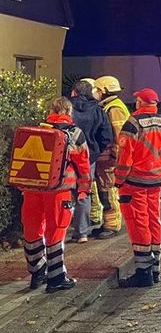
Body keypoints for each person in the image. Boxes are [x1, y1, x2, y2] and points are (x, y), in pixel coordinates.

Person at [21, 97, 91, 292]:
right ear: (69, 112)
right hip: (59, 191)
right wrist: (84, 189)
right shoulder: (75, 134)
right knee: (56, 231)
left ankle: (37, 273)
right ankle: (57, 277)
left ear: (51, 111)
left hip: (33, 190)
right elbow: (84, 167)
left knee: (32, 229)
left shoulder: (39, 130)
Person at [116, 88, 161, 288]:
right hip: (157, 180)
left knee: (138, 222)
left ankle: (143, 273)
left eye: (137, 101)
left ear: (141, 103)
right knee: (154, 220)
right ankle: (155, 268)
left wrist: (119, 180)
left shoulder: (133, 124)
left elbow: (125, 157)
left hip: (135, 182)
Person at [69, 79, 112, 243]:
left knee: (65, 192)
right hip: (88, 158)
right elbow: (106, 136)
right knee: (83, 192)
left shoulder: (68, 107)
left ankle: (60, 229)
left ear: (74, 92)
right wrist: (94, 152)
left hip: (67, 156)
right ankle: (82, 233)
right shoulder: (98, 110)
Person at [89, 75, 131, 239]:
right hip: (107, 158)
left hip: (112, 159)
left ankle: (112, 225)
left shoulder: (114, 109)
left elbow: (120, 136)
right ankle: (107, 222)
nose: (96, 93)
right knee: (104, 190)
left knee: (110, 191)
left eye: (97, 90)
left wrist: (116, 156)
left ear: (103, 91)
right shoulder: (110, 106)